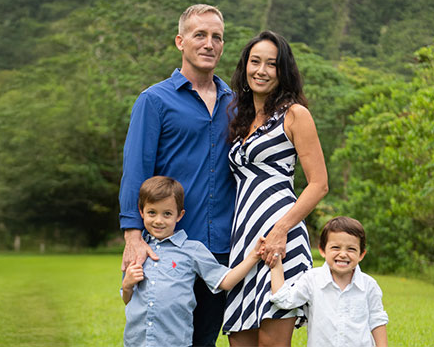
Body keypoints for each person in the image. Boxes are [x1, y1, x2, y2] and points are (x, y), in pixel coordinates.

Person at [117, 4, 235, 346]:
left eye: (217, 37)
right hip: (165, 249)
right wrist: (133, 237)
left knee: (203, 341)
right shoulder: (153, 101)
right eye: (200, 35)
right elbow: (135, 171)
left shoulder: (237, 104)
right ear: (180, 41)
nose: (209, 44)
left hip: (220, 250)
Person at [223, 31, 329, 347]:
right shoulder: (239, 118)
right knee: (239, 337)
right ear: (244, 67)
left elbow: (319, 184)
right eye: (255, 62)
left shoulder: (295, 114)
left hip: (282, 240)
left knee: (272, 343)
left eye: (272, 64)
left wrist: (281, 229)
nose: (262, 70)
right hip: (244, 242)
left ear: (283, 72)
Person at [122, 176, 263, 347]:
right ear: (141, 211)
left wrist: (254, 256)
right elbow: (128, 299)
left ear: (179, 215)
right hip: (137, 341)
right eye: (152, 212)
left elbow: (225, 281)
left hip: (175, 341)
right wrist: (128, 284)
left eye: (167, 214)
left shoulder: (192, 250)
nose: (159, 220)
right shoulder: (137, 251)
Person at [268, 216, 389, 347]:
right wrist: (276, 264)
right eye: (336, 247)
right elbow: (284, 300)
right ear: (322, 250)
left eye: (351, 249)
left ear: (361, 254)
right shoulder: (312, 280)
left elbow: (377, 320)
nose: (343, 254)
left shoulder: (369, 285)